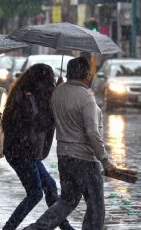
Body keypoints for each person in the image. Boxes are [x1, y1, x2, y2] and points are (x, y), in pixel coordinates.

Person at [24, 57, 117, 230]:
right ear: (87, 75)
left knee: (67, 201)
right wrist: (105, 160)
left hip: (64, 157)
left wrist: (59, 88)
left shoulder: (58, 92)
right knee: (96, 207)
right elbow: (92, 132)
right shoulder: (86, 98)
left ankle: (37, 228)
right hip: (85, 159)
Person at [1, 64, 74, 230]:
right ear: (40, 81)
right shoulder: (27, 99)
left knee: (49, 185)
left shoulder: (30, 94)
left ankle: (65, 226)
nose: (51, 84)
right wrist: (54, 96)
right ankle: (9, 227)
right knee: (35, 193)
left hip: (27, 152)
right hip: (21, 153)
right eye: (50, 81)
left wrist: (55, 92)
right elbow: (40, 122)